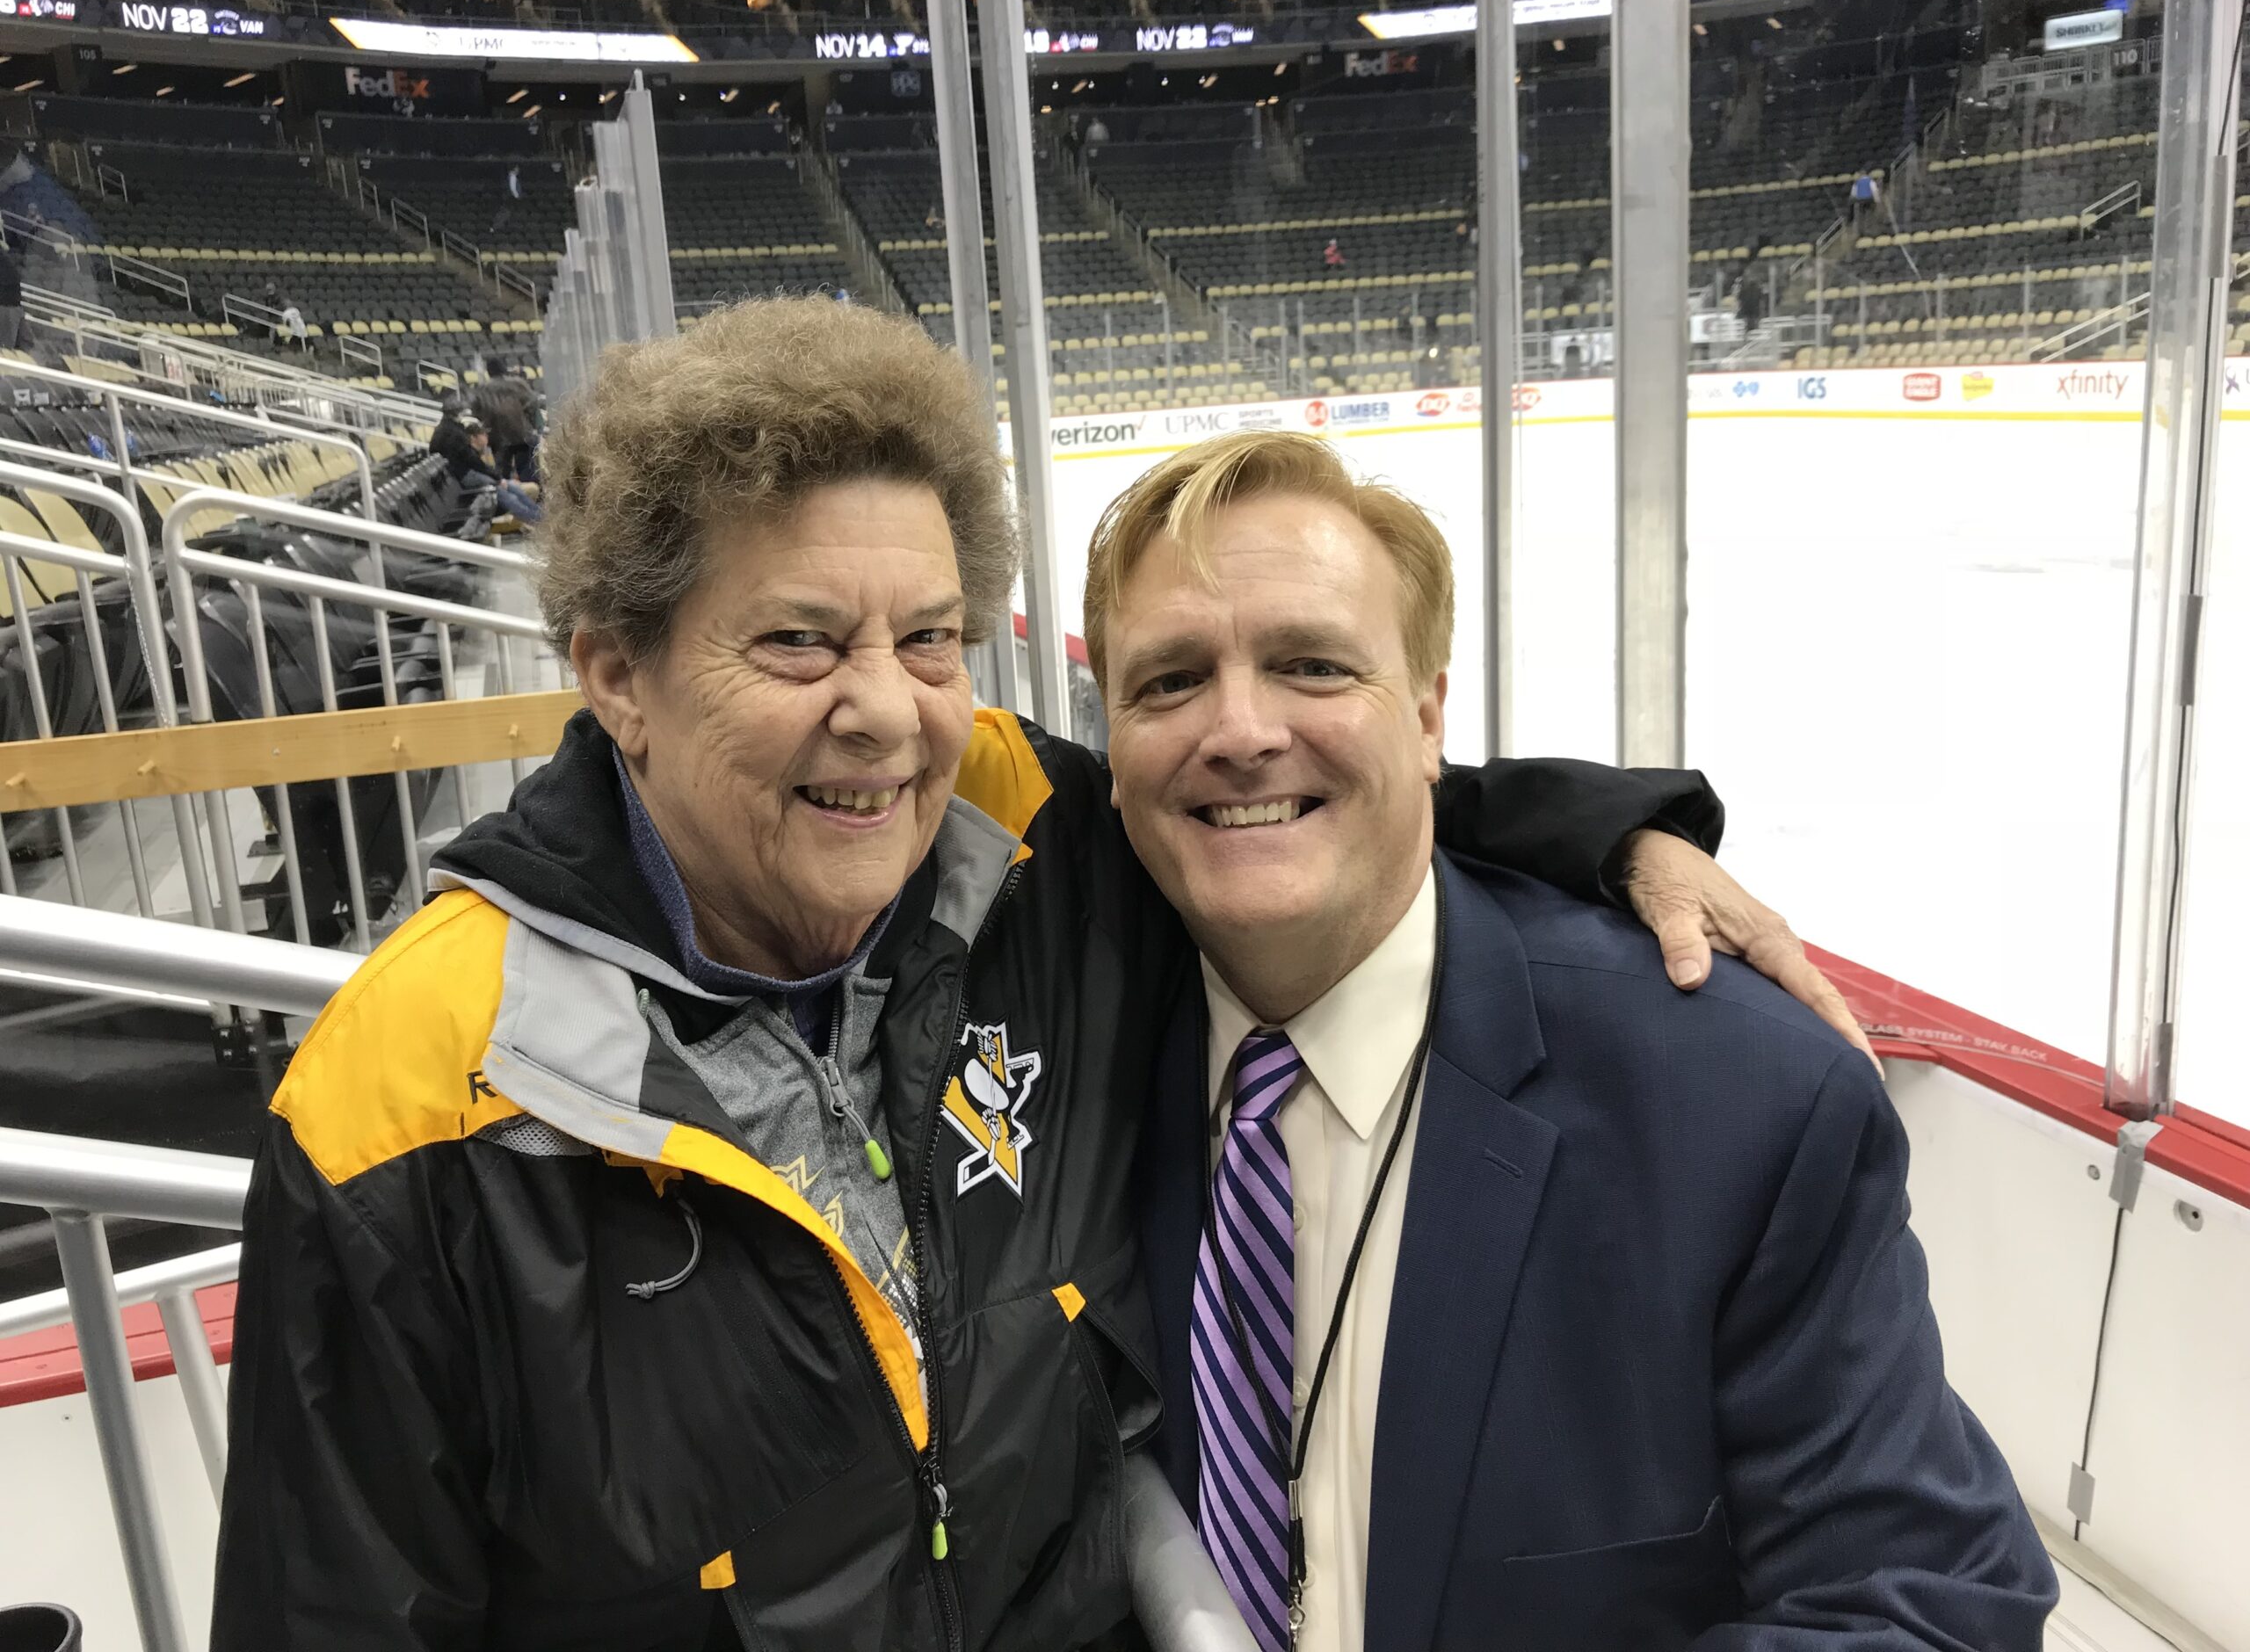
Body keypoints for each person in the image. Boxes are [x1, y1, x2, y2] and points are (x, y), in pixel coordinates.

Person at [215, 298, 1862, 1650]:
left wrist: (1610, 832)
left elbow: (1277, 789)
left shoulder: (1022, 839)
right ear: (616, 675)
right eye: (798, 640)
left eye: (929, 637)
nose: (886, 710)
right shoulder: (407, 1100)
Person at [1093, 432, 2057, 1652]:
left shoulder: (1739, 1106)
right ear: (1108, 748)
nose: (1239, 729)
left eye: (1313, 665)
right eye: (1170, 681)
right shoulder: (1063, 1032)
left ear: (1429, 715)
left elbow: (1927, 1611)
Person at [471, 359, 539, 481]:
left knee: (502, 474)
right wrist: (529, 420)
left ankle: (507, 489)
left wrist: (487, 422)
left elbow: (475, 412)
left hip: (497, 437)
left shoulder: (482, 390)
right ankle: (531, 491)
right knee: (527, 470)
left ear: (489, 372)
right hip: (522, 433)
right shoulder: (518, 384)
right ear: (504, 369)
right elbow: (533, 402)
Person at [0, 242, 23, 351]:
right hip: (10, 306)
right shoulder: (6, 261)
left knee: (5, 350)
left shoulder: (4, 263)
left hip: (7, 307)